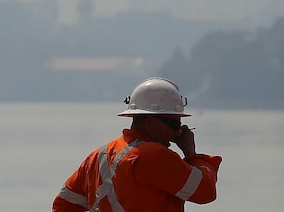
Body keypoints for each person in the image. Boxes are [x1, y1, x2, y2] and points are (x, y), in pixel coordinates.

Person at [52, 77, 222, 212]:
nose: (177, 133)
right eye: (174, 124)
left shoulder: (98, 156)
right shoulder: (155, 155)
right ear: (150, 122)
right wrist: (191, 153)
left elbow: (64, 205)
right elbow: (205, 191)